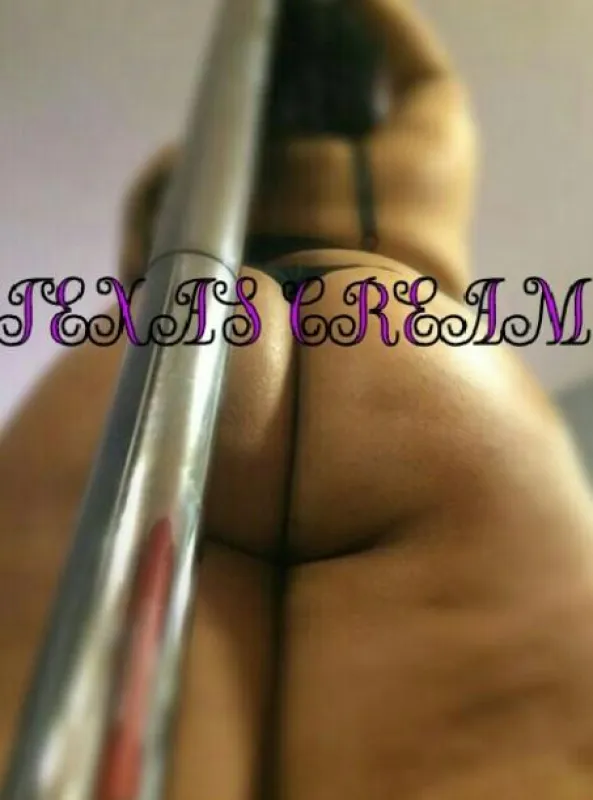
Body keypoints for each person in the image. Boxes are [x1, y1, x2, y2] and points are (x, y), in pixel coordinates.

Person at [2, 0, 593, 797]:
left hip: (170, 349)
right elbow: (428, 72)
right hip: (406, 354)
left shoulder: (176, 174)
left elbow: (135, 266)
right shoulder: (419, 142)